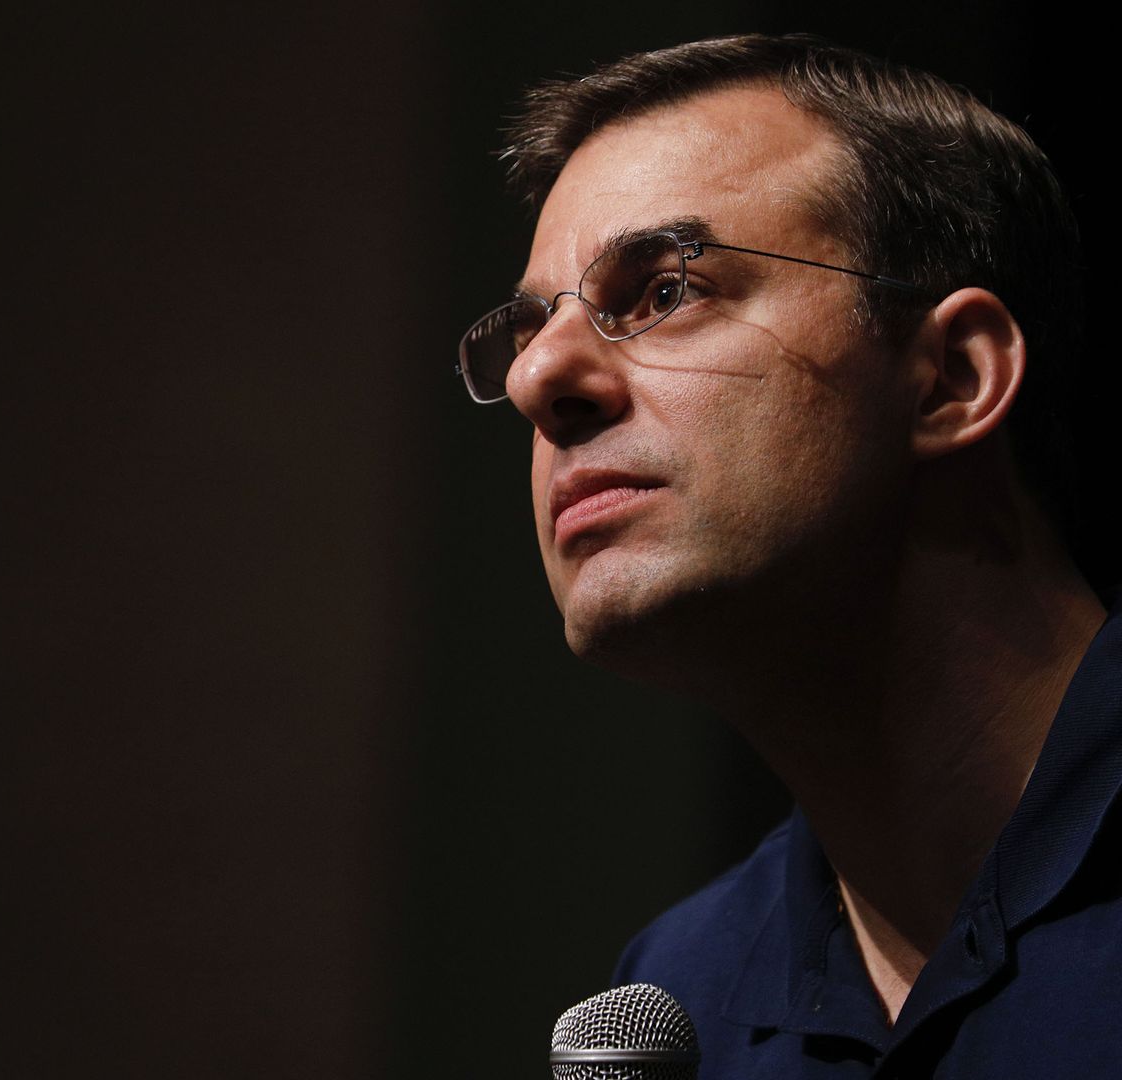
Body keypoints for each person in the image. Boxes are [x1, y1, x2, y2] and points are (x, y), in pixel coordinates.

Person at [463, 34, 1122, 1076]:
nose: (537, 377)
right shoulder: (683, 993)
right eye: (531, 330)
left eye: (665, 292)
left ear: (953, 377)